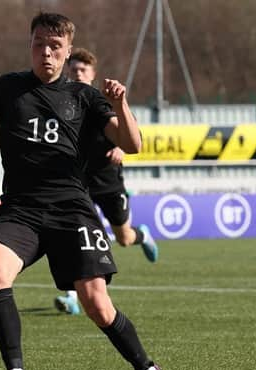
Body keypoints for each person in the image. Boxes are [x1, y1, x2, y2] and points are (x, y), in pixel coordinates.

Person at [0, 11, 166, 370]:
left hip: (72, 210)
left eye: (55, 46)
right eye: (39, 44)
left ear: (68, 50)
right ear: (31, 46)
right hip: (21, 208)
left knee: (96, 303)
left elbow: (134, 143)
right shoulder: (9, 88)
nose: (46, 53)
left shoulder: (86, 97)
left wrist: (120, 104)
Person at [54, 48, 159, 316]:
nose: (77, 73)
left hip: (109, 181)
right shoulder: (62, 103)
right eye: (73, 69)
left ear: (92, 74)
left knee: (123, 238)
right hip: (79, 184)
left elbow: (131, 133)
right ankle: (72, 297)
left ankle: (142, 234)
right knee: (78, 238)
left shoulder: (103, 102)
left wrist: (122, 148)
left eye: (82, 70)